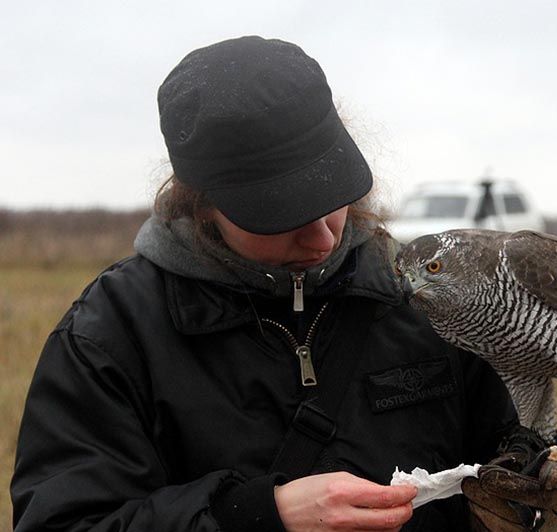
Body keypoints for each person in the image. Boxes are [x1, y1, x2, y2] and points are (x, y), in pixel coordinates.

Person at [10, 36, 522, 531]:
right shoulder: (111, 334)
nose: (323, 238)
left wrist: (530, 478)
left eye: (333, 196)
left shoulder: (430, 301)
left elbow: (505, 453)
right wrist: (253, 515)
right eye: (283, 213)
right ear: (203, 204)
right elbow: (68, 520)